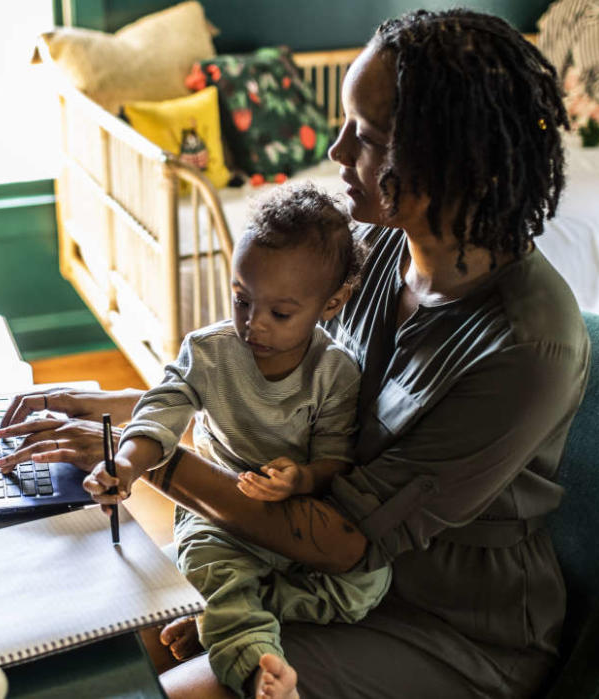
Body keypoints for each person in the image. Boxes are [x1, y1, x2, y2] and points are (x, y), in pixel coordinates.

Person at [0, 8, 589, 698]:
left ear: (450, 160)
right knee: (91, 649)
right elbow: (298, 402)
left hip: (449, 631)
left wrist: (150, 453)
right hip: (315, 576)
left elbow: (342, 535)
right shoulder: (381, 254)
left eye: (366, 137)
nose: (337, 152)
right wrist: (140, 409)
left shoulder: (523, 348)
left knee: (159, 687)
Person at [112, 182, 390, 696]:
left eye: (279, 314)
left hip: (293, 523)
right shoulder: (210, 351)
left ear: (331, 303)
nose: (253, 324)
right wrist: (128, 463)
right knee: (217, 572)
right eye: (241, 299)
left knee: (367, 586)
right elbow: (162, 405)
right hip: (219, 520)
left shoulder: (334, 372)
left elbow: (334, 459)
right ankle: (255, 664)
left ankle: (249, 599)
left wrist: (301, 477)